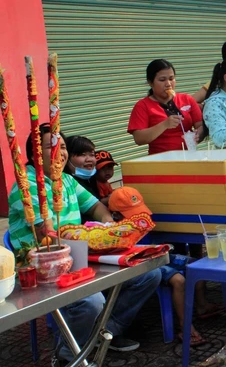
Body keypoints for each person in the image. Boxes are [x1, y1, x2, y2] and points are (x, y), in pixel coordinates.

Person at [7, 123, 161, 365]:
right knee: (92, 301)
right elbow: (47, 233)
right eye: (51, 146)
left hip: (80, 255)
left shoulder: (66, 180)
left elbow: (96, 207)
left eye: (64, 146)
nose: (61, 151)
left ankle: (100, 333)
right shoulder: (27, 186)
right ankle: (69, 354)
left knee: (148, 273)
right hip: (45, 266)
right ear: (36, 153)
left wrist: (110, 228)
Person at [108, 187, 208, 346]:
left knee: (197, 264)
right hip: (142, 262)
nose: (138, 218)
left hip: (156, 253)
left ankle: (202, 306)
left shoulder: (142, 220)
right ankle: (185, 326)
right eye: (131, 215)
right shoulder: (113, 232)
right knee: (179, 280)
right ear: (115, 215)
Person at [128, 59, 205, 155]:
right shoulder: (142, 106)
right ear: (150, 83)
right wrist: (164, 125)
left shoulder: (187, 99)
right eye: (162, 80)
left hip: (188, 157)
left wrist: (200, 133)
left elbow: (200, 125)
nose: (168, 84)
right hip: (160, 161)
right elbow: (139, 138)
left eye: (171, 79)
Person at [64, 135, 101, 200]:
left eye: (92, 155)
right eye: (82, 155)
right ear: (67, 158)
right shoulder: (64, 185)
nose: (89, 159)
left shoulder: (95, 179)